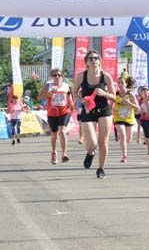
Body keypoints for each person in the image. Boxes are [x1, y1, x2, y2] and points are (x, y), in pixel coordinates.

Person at [72, 49, 117, 179]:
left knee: (103, 142)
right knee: (92, 143)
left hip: (103, 110)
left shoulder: (106, 76)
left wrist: (104, 94)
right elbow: (74, 92)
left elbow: (114, 97)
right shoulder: (81, 76)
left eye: (96, 58)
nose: (94, 60)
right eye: (90, 58)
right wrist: (82, 100)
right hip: (88, 110)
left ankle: (101, 169)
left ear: (100, 61)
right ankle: (90, 153)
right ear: (86, 62)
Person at [41, 68, 73, 164]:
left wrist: (71, 104)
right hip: (52, 113)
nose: (57, 77)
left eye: (59, 75)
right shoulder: (48, 86)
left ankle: (64, 154)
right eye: (55, 75)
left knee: (62, 131)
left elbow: (69, 97)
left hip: (64, 111)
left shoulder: (66, 86)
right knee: (54, 134)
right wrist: (49, 94)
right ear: (52, 77)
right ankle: (54, 152)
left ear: (62, 76)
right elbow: (40, 97)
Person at [112, 76, 139, 163]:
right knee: (122, 135)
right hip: (118, 118)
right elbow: (109, 106)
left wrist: (129, 103)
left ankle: (124, 143)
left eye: (122, 83)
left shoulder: (130, 94)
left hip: (129, 119)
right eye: (118, 83)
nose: (120, 85)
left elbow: (137, 108)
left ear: (126, 84)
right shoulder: (115, 95)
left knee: (128, 139)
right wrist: (113, 109)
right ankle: (124, 156)